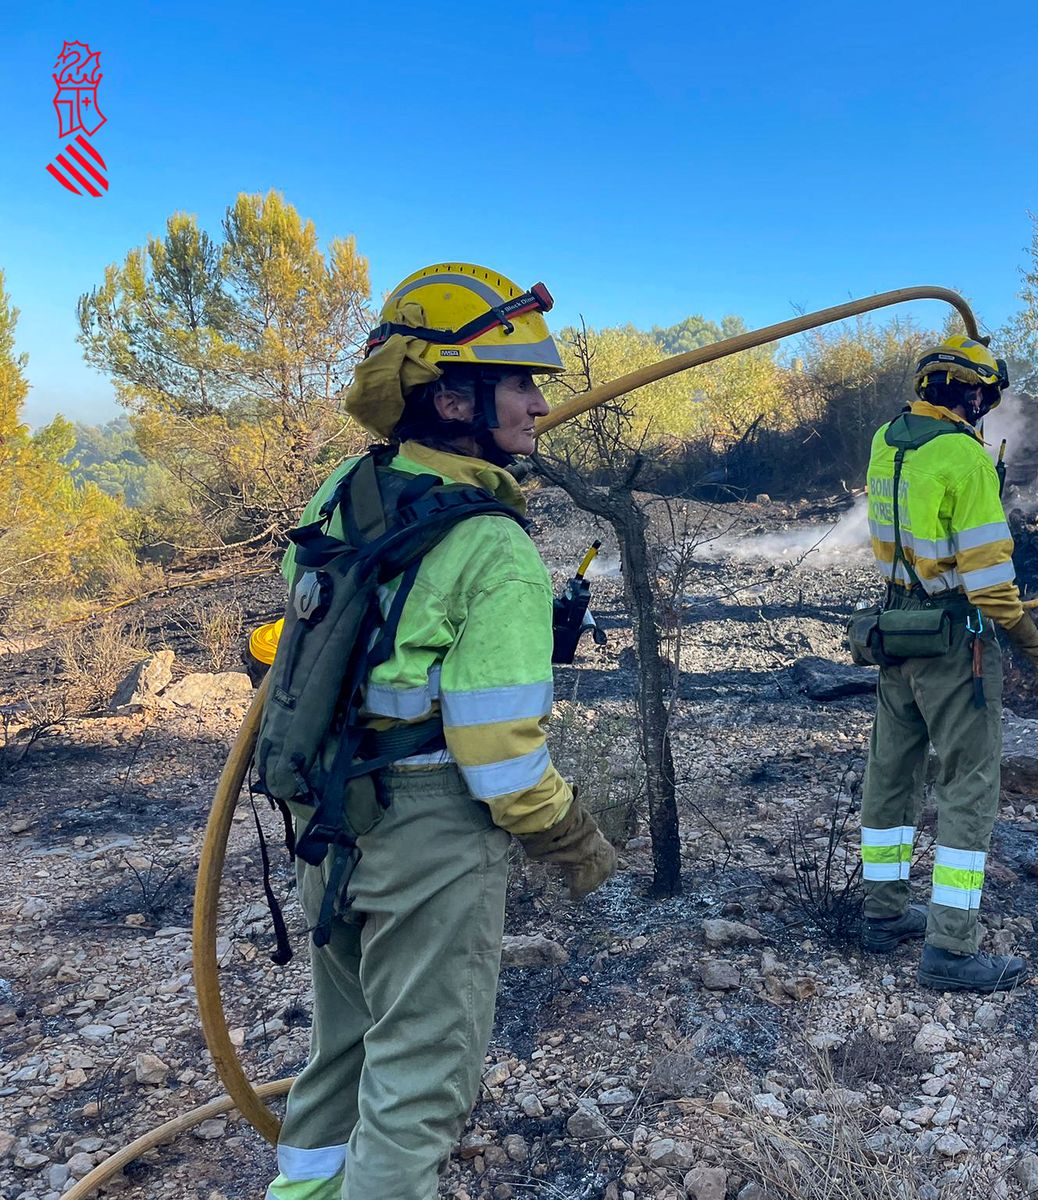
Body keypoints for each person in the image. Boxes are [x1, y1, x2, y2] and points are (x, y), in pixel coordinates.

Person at [264, 263, 615, 1200]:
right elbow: (500, 759)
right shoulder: (493, 544)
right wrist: (576, 840)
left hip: (329, 816)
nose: (540, 406)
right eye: (522, 382)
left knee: (341, 1048)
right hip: (426, 830)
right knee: (422, 1078)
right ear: (454, 398)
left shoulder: (348, 488)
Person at [857, 334, 1038, 992]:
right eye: (983, 394)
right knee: (968, 789)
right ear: (972, 394)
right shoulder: (965, 458)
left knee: (891, 774)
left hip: (895, 631)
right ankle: (951, 946)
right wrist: (1026, 637)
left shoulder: (887, 441)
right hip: (953, 642)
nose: (984, 406)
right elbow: (988, 574)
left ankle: (882, 913)